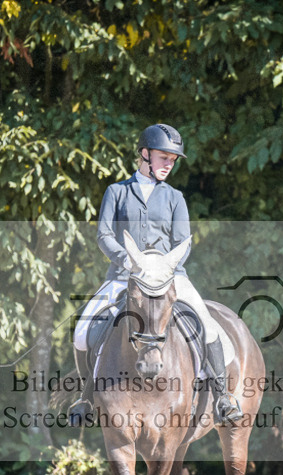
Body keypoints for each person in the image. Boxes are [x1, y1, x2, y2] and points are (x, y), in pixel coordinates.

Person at [69, 123, 242, 425]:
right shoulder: (117, 192)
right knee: (82, 330)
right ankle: (86, 397)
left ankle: (223, 397)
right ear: (145, 155)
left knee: (208, 324)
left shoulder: (175, 198)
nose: (169, 165)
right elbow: (104, 235)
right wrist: (128, 260)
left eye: (172, 160)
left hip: (167, 278)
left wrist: (165, 267)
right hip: (125, 276)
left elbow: (183, 242)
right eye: (164, 158)